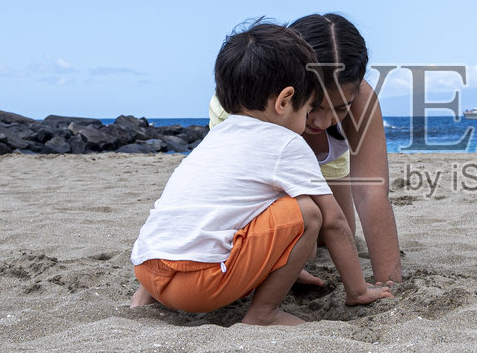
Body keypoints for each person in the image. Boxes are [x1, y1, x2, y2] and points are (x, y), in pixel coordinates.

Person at [130, 21, 392, 326]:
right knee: (309, 212)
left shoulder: (218, 136)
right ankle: (264, 313)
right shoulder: (288, 144)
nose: (316, 121)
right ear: (285, 101)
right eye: (309, 107)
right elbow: (334, 222)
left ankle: (145, 297)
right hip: (196, 288)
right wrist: (358, 291)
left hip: (148, 270)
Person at [208, 13, 403, 286]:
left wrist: (390, 283)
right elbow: (230, 196)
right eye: (315, 106)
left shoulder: (361, 100)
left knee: (337, 233)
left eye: (341, 108)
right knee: (302, 236)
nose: (323, 122)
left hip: (326, 162)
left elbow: (371, 193)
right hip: (259, 165)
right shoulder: (252, 107)